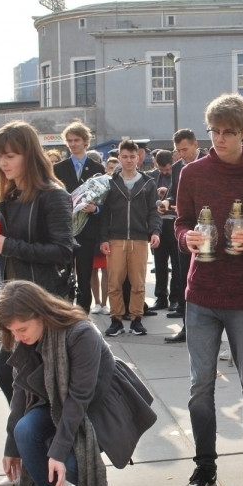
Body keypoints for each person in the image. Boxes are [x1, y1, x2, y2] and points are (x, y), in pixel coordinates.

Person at [175, 93, 243, 486]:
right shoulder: (192, 173)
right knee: (200, 384)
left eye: (228, 132)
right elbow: (181, 222)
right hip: (201, 292)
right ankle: (204, 463)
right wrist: (186, 237)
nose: (218, 139)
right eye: (213, 131)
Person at [0, 280, 157, 486]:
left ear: (40, 314)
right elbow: (20, 390)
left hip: (96, 406)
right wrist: (11, 448)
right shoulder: (24, 337)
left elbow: (78, 398)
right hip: (55, 402)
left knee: (70, 463)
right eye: (12, 331)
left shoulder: (81, 333)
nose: (18, 337)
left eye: (22, 329)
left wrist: (58, 452)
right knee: (24, 431)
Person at [0, 120, 74, 402]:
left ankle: (41, 428)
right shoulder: (11, 195)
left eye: (10, 155)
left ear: (29, 155)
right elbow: (13, 248)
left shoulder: (52, 195)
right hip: (17, 297)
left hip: (43, 301)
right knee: (16, 378)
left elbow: (63, 250)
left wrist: (7, 245)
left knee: (34, 381)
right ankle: (31, 428)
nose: (3, 163)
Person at [98, 139, 161, 337]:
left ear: (139, 157)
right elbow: (104, 213)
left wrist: (155, 231)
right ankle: (116, 320)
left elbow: (153, 211)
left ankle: (136, 320)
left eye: (132, 156)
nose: (128, 160)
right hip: (115, 239)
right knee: (114, 283)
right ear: (119, 158)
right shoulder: (110, 182)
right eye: (124, 157)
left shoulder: (148, 183)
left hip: (139, 239)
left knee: (138, 283)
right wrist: (103, 238)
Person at [53, 121, 106, 312]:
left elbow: (104, 201)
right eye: (69, 141)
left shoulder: (97, 168)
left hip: (87, 230)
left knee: (84, 274)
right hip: (64, 230)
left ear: (85, 141)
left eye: (76, 140)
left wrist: (95, 209)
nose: (73, 144)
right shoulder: (58, 168)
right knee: (64, 273)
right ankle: (65, 310)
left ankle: (83, 313)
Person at [164, 128, 208, 343]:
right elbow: (174, 193)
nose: (182, 155)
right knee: (183, 277)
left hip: (207, 230)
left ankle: (206, 328)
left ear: (195, 144)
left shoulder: (209, 163)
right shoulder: (177, 167)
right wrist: (166, 201)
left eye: (185, 149)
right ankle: (187, 327)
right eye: (178, 151)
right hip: (184, 230)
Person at [150, 149, 181, 313]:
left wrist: (168, 197)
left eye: (167, 169)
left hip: (175, 224)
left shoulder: (179, 173)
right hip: (159, 225)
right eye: (161, 169)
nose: (164, 172)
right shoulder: (152, 177)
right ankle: (161, 297)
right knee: (159, 263)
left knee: (176, 264)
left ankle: (174, 299)